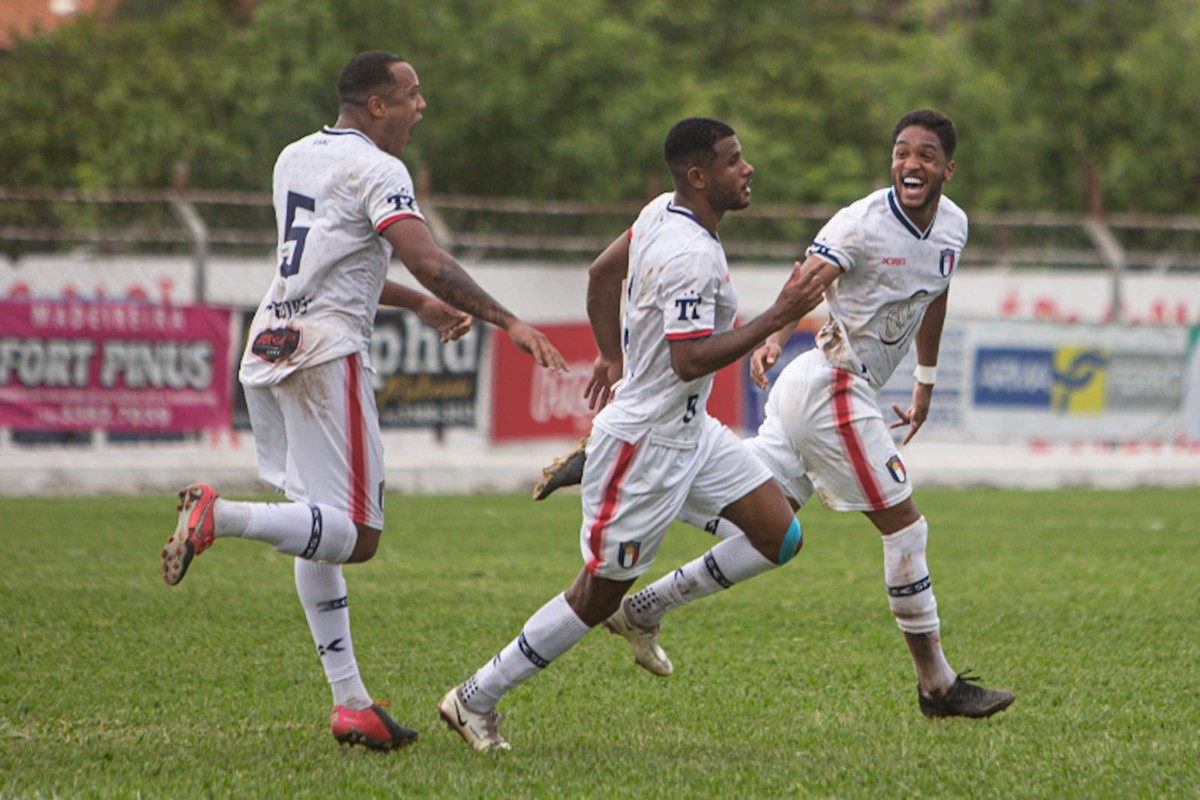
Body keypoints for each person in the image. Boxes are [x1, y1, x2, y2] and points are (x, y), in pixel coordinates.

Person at [534, 109, 1015, 720]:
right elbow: (806, 281)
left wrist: (925, 378)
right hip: (832, 387)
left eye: (924, 155)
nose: (910, 164)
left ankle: (643, 601)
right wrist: (774, 332)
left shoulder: (953, 227)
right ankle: (938, 687)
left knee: (769, 533)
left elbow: (935, 292)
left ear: (948, 169)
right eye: (900, 152)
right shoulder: (861, 224)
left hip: (818, 388)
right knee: (906, 528)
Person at [158, 50, 568, 752]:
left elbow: (335, 260)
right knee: (359, 536)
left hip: (272, 341)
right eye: (412, 95)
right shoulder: (381, 170)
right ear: (377, 104)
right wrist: (509, 320)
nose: (421, 106)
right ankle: (217, 515)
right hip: (327, 351)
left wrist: (419, 307)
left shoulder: (295, 157)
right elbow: (427, 256)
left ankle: (351, 704)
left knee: (319, 524)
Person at [437, 118, 827, 751]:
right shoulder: (691, 256)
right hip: (646, 443)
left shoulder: (659, 213)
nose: (747, 168)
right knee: (593, 595)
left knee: (777, 533)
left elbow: (599, 275)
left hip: (690, 431)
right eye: (734, 161)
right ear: (699, 176)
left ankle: (645, 609)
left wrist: (611, 355)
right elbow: (690, 360)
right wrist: (780, 315)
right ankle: (474, 698)